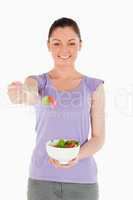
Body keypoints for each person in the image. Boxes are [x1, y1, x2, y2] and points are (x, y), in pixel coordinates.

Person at [7, 17, 105, 200]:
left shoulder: (94, 86)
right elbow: (30, 93)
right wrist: (20, 94)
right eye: (57, 43)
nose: (64, 50)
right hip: (41, 180)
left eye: (71, 43)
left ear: (80, 45)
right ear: (48, 45)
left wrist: (77, 156)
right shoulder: (39, 81)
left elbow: (99, 138)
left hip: (83, 182)